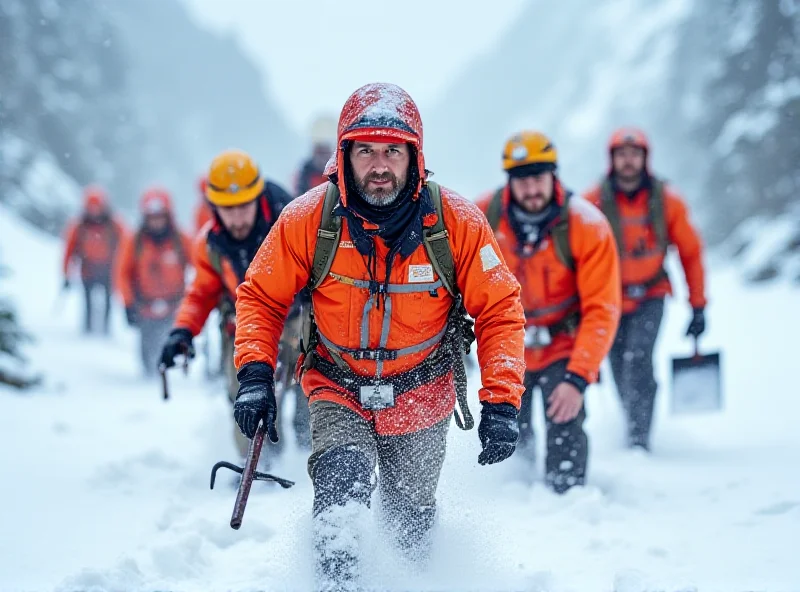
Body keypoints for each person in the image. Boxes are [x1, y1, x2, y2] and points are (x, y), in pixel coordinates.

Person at [231, 82, 526, 588]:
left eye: (393, 150)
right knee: (339, 498)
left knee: (409, 527)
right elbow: (261, 296)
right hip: (337, 389)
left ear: (415, 156)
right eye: (366, 150)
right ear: (343, 156)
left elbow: (500, 308)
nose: (380, 164)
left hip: (422, 394)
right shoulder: (307, 220)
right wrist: (255, 374)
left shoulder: (456, 223)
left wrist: (501, 401)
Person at [477, 131, 621, 492]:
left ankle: (568, 501)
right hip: (509, 344)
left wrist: (578, 377)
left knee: (565, 423)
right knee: (510, 434)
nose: (531, 189)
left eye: (538, 178)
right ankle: (512, 498)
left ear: (554, 175)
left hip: (563, 344)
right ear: (509, 180)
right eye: (522, 180)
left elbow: (602, 309)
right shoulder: (481, 219)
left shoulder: (586, 225)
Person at [158, 150, 303, 458]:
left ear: (258, 198)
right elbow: (201, 293)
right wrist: (182, 331)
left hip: (294, 321)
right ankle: (256, 464)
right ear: (214, 207)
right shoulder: (210, 245)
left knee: (311, 388)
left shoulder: (291, 228)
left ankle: (307, 458)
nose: (237, 217)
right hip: (240, 329)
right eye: (228, 209)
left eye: (243, 206)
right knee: (244, 398)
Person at [584, 127, 707, 451]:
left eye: (634, 154)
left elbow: (690, 252)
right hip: (609, 299)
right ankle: (632, 420)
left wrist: (698, 305)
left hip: (651, 294)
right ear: (612, 160)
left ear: (645, 159)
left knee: (639, 358)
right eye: (621, 155)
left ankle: (640, 439)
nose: (628, 161)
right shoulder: (592, 202)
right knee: (616, 365)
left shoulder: (667, 201)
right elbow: (573, 256)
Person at [115, 187, 192, 376]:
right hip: (144, 308)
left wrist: (194, 302)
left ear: (168, 216)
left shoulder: (181, 240)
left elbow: (200, 268)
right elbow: (122, 274)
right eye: (152, 217)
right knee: (147, 351)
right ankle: (148, 382)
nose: (156, 222)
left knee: (172, 345)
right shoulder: (134, 242)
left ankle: (173, 381)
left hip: (174, 307)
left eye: (160, 217)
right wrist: (128, 303)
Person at [62, 185, 127, 335]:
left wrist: (124, 271)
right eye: (91, 207)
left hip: (109, 269)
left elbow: (127, 247)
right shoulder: (78, 226)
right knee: (87, 302)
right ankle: (87, 330)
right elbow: (69, 251)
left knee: (108, 302)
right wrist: (66, 274)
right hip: (88, 270)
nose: (94, 211)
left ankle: (105, 330)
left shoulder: (115, 224)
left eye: (97, 207)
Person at [293, 114, 337, 195]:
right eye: (320, 152)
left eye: (326, 152)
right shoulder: (304, 174)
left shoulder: (343, 173)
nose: (323, 158)